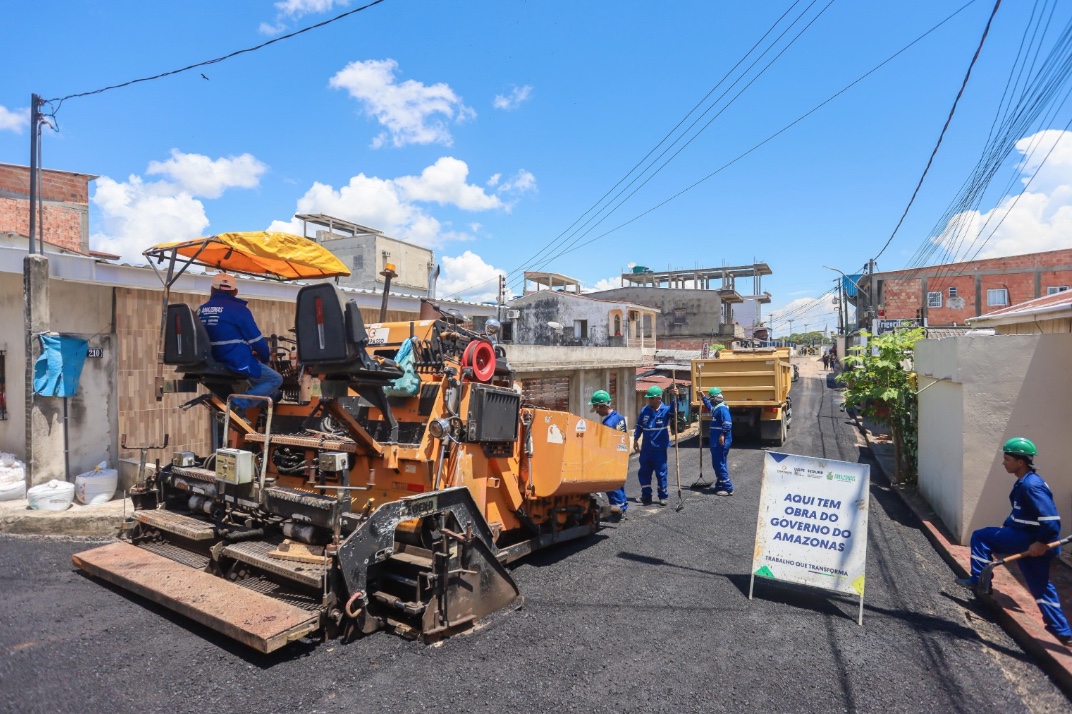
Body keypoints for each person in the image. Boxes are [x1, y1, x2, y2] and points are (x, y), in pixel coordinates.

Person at [956, 438, 1071, 645]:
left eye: (1007, 458)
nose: (1003, 462)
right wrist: (1008, 526)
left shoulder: (1031, 486)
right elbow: (1021, 513)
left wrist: (1041, 543)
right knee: (1041, 587)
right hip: (1026, 537)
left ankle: (979, 580)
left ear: (1020, 462)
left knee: (980, 536)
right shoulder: (1025, 482)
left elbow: (1052, 522)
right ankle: (1061, 630)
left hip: (1030, 540)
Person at [198, 273, 283, 412]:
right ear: (235, 292)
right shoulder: (239, 310)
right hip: (233, 359)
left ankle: (263, 397)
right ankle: (239, 403)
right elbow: (257, 341)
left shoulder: (201, 309)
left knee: (256, 377)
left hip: (211, 358)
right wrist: (265, 358)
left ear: (212, 290)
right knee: (275, 379)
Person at [590, 390, 628, 520]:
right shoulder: (620, 417)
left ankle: (617, 513)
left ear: (603, 406)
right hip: (620, 456)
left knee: (611, 485)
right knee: (618, 484)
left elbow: (604, 445)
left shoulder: (608, 424)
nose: (596, 411)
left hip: (611, 458)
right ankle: (623, 508)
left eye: (596, 408)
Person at [633, 385, 672, 506]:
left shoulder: (665, 410)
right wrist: (635, 439)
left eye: (651, 398)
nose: (649, 400)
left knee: (661, 473)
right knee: (644, 472)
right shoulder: (645, 410)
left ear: (659, 398)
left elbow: (675, 408)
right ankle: (646, 496)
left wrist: (676, 397)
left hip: (659, 449)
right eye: (649, 398)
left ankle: (663, 496)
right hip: (646, 448)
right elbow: (639, 425)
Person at [700, 387, 734, 496]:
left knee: (719, 464)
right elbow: (710, 407)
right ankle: (719, 485)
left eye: (711, 398)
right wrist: (703, 397)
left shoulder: (722, 409)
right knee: (719, 463)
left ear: (715, 398)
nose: (710, 401)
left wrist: (723, 434)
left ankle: (728, 488)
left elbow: (727, 423)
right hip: (716, 441)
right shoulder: (717, 408)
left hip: (720, 442)